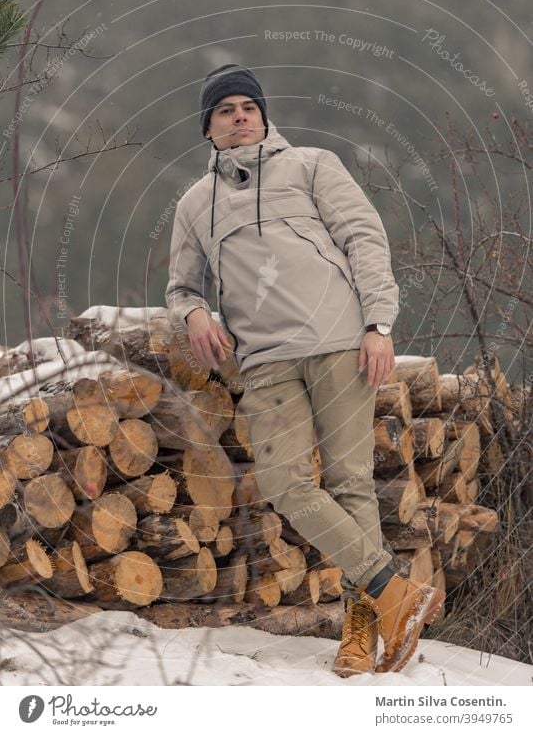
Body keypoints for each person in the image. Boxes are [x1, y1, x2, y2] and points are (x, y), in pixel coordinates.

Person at [165, 63, 444, 676]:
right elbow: (182, 286)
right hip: (264, 361)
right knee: (288, 483)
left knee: (349, 483)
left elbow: (364, 239)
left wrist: (378, 324)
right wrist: (192, 315)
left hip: (338, 340)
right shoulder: (194, 204)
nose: (240, 115)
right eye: (225, 109)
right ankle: (395, 591)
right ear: (207, 129)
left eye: (248, 106)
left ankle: (361, 634)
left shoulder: (313, 165)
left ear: (264, 116)